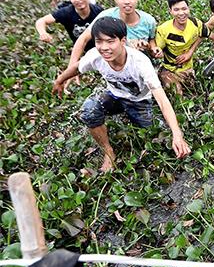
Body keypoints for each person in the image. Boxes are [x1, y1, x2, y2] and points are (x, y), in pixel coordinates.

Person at [52, 17, 190, 172]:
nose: (104, 47)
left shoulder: (140, 63)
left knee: (154, 136)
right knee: (89, 110)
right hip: (114, 96)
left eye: (110, 41)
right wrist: (60, 80)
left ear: (123, 41)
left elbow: (162, 101)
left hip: (139, 101)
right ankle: (108, 152)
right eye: (99, 41)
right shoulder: (95, 56)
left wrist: (177, 134)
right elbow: (77, 67)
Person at [67, 0, 159, 69]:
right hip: (114, 68)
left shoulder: (148, 20)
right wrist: (71, 69)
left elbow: (152, 40)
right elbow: (83, 38)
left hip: (142, 67)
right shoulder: (106, 16)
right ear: (116, 0)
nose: (126, 2)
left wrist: (151, 48)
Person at [155, 0, 214, 95]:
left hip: (187, 69)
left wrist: (191, 51)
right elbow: (155, 50)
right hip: (169, 70)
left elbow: (209, 35)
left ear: (188, 8)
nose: (181, 13)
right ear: (170, 11)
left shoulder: (196, 24)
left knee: (195, 92)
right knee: (177, 93)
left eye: (184, 9)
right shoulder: (163, 29)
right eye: (176, 10)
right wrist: (157, 52)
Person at [36, 0, 103, 52]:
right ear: (70, 0)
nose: (77, 0)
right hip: (80, 50)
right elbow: (41, 21)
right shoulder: (66, 12)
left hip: (100, 48)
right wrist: (43, 33)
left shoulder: (98, 11)